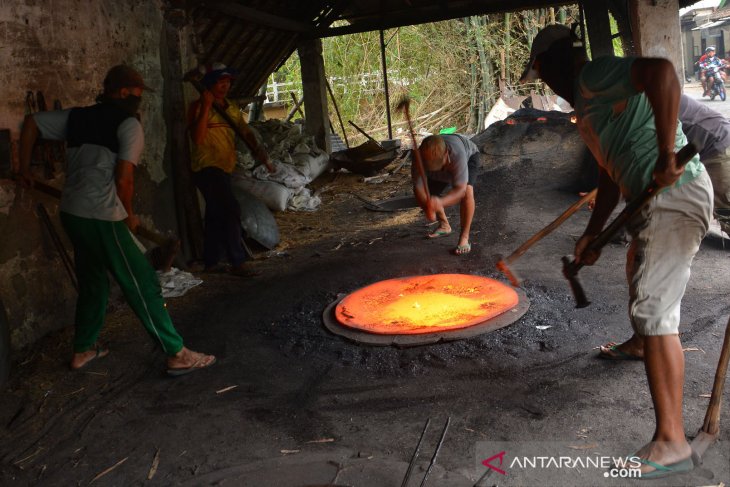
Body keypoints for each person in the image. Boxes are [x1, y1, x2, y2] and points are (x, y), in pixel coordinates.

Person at [521, 25, 713, 478]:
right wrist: (592, 236)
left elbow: (663, 73)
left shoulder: (594, 77)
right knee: (638, 269)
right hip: (652, 200)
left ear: (553, 65)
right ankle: (643, 345)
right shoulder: (587, 109)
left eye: (542, 73)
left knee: (655, 306)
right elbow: (609, 178)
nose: (544, 83)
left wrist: (666, 155)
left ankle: (672, 443)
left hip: (675, 194)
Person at [17, 65, 215, 376]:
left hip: (72, 213)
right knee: (143, 282)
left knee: (94, 283)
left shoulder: (77, 117)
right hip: (101, 215)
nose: (139, 99)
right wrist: (130, 216)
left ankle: (83, 350)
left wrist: (24, 168)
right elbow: (124, 180)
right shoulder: (129, 124)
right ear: (124, 92)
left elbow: (31, 123)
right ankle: (177, 353)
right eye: (137, 93)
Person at [187, 63, 274, 276]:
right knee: (231, 209)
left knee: (216, 213)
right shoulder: (198, 107)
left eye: (227, 81)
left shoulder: (231, 108)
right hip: (206, 167)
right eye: (220, 81)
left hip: (225, 166)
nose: (225, 85)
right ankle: (237, 261)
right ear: (209, 84)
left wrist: (257, 149)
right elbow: (197, 139)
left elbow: (244, 131)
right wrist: (207, 106)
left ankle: (211, 261)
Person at [413, 134, 480, 255]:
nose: (437, 169)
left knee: (468, 192)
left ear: (446, 153)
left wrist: (440, 202)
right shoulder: (418, 157)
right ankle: (444, 225)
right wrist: (427, 206)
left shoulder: (457, 153)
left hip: (469, 156)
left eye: (439, 165)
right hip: (444, 164)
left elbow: (460, 190)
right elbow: (418, 187)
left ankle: (464, 237)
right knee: (431, 193)